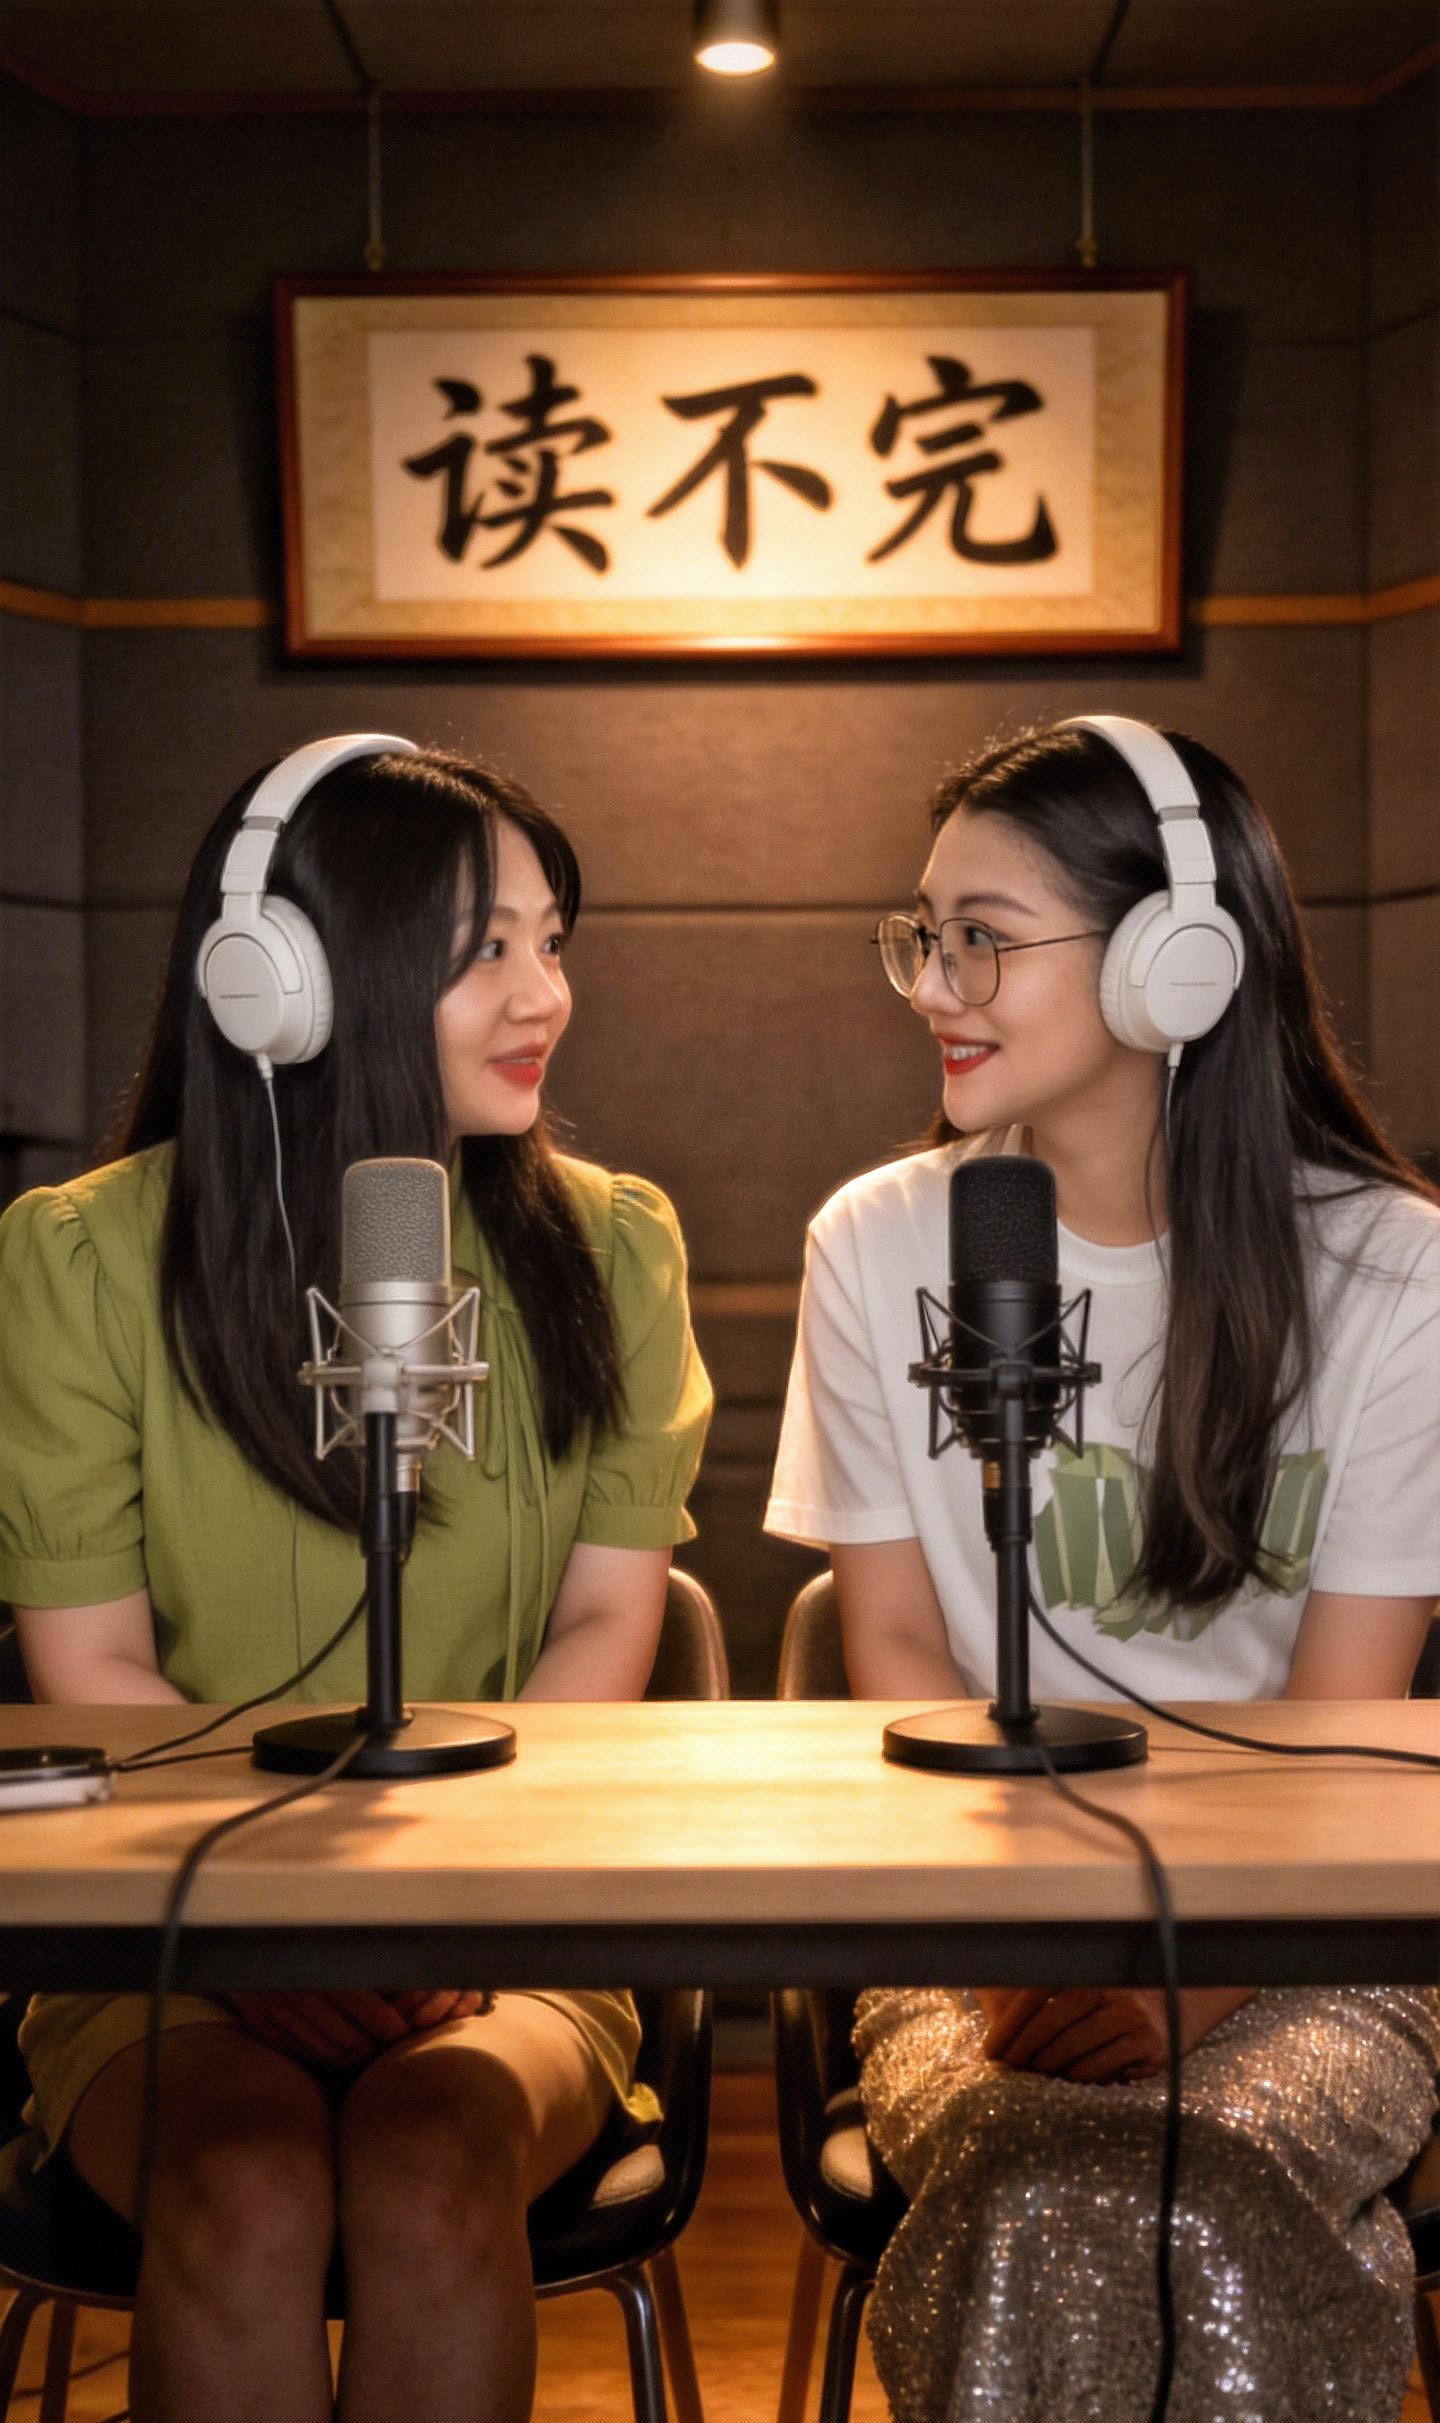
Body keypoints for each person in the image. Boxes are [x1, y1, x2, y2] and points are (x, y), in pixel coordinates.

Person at [0, 736, 712, 2423]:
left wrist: (444, 1913)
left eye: (552, 941)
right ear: (281, 981)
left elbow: (605, 1629)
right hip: (171, 1931)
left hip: (506, 1926)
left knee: (427, 2161)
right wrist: (270, 1936)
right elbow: (93, 1673)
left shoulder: (614, 1247)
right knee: (244, 2183)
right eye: (482, 949)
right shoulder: (85, 1259)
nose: (542, 994)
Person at [765, 715, 1440, 2423]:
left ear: (1176, 961)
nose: (935, 986)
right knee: (1041, 2178)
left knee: (1218, 2170)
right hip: (973, 1930)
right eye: (923, 936)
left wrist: (1184, 1980)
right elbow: (895, 1644)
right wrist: (1015, 1937)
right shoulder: (878, 1244)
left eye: (984, 937)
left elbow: (1344, 1729)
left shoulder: (1396, 1273)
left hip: (1306, 1937)